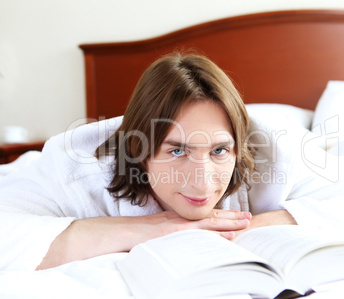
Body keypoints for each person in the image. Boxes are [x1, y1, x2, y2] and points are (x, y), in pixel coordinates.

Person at [0, 52, 296, 271]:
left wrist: (238, 226)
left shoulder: (270, 152)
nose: (202, 181)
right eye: (177, 151)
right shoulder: (79, 171)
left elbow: (341, 204)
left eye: (219, 151)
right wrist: (146, 228)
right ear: (139, 152)